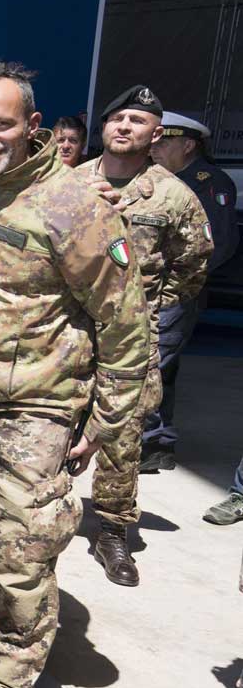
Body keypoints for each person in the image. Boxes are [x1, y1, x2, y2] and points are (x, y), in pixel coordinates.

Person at [0, 61, 147, 688]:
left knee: (19, 560)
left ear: (32, 126)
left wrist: (104, 424)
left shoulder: (76, 207)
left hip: (35, 412)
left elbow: (126, 326)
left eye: (0, 124)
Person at [73, 86, 209, 585]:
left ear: (156, 134)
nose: (125, 126)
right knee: (52, 422)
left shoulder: (173, 195)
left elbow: (194, 263)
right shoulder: (69, 182)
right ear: (104, 126)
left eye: (138, 120)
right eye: (118, 118)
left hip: (130, 336)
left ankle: (112, 531)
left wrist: (148, 309)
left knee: (122, 434)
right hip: (66, 329)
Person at [142, 111, 240, 476]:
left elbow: (220, 244)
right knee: (157, 365)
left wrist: (178, 285)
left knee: (151, 365)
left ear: (188, 145)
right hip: (149, 291)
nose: (155, 149)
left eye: (164, 142)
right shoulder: (157, 180)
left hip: (178, 293)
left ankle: (149, 442)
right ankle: (158, 442)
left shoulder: (208, 182)